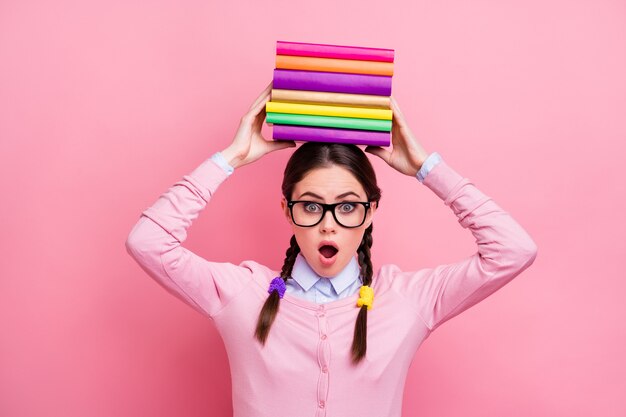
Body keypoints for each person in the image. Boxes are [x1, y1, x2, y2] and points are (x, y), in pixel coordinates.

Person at [125, 81, 538, 417]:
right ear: (286, 210)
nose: (328, 223)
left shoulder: (407, 300)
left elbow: (512, 250)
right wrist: (230, 158)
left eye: (346, 206)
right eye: (310, 206)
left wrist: (427, 168)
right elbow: (148, 242)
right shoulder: (241, 293)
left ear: (371, 210)